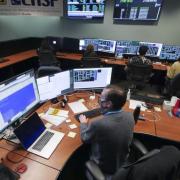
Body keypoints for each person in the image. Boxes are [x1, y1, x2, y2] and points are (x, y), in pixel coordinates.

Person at [79, 85, 135, 176]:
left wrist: (83, 123)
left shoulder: (98, 124)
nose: (99, 100)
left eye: (101, 98)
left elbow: (84, 138)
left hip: (103, 168)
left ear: (108, 104)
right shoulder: (130, 116)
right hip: (122, 165)